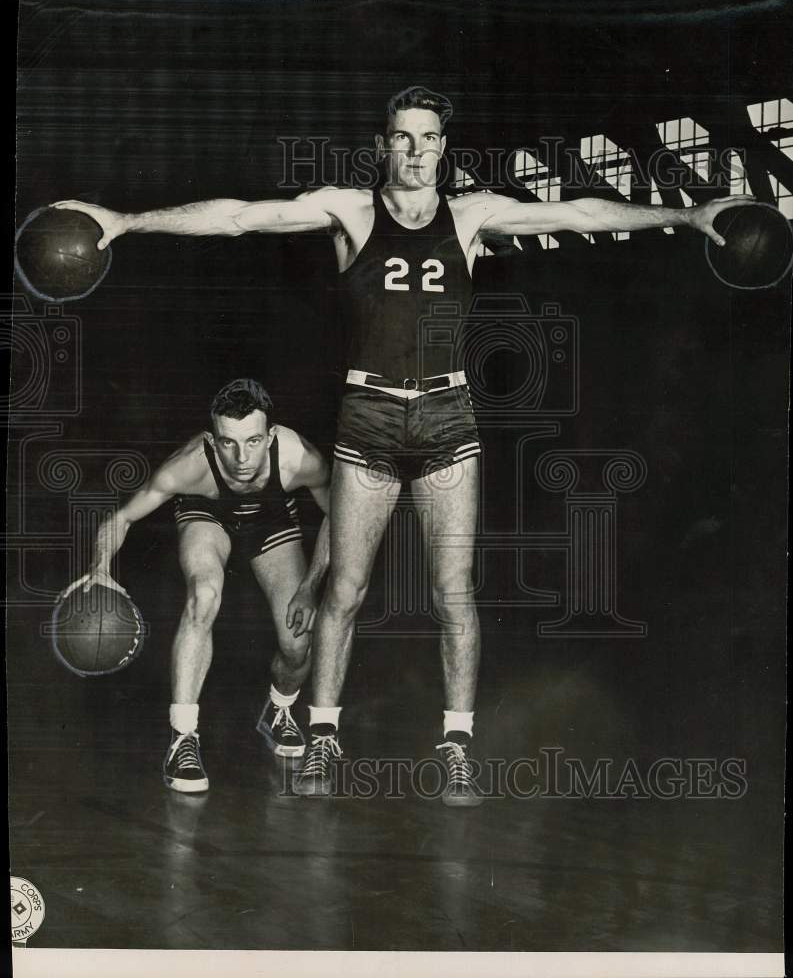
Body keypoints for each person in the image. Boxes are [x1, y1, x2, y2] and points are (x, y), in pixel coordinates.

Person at [54, 85, 754, 806]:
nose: (415, 151)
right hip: (369, 422)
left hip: (448, 421)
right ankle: (323, 736)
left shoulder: (473, 213)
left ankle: (456, 743)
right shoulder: (349, 210)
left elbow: (577, 212)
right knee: (345, 592)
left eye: (427, 138)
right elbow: (238, 217)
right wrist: (125, 221)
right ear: (383, 143)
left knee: (454, 595)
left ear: (443, 147)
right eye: (402, 137)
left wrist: (687, 212)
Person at [59, 378, 330, 793]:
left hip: (272, 518)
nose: (241, 457)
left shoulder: (300, 458)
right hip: (208, 512)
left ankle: (279, 709)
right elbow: (124, 517)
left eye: (254, 441)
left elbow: (342, 517)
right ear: (211, 437)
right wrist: (99, 567)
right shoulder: (189, 464)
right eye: (228, 443)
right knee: (203, 596)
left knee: (297, 643)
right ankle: (183, 738)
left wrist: (311, 585)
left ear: (271, 435)